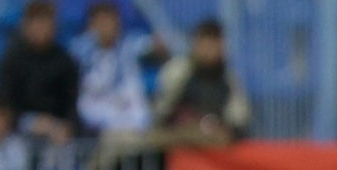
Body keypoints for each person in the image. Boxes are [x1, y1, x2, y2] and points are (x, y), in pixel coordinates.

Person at [69, 2, 169, 137]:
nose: (105, 27)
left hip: (127, 110)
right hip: (95, 110)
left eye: (109, 21)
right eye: (100, 22)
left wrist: (159, 44)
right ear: (91, 25)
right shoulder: (80, 49)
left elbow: (157, 47)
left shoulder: (130, 46)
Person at [0, 1, 79, 154]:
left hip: (56, 127)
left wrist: (67, 125)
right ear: (26, 25)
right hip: (19, 127)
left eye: (47, 23)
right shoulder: (11, 59)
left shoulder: (65, 60)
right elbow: (6, 102)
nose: (42, 29)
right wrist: (35, 122)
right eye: (37, 22)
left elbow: (71, 102)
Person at [151, 18, 250, 146]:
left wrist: (224, 131)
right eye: (205, 44)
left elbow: (239, 119)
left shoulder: (228, 78)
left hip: (213, 148)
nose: (209, 51)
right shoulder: (178, 72)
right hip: (177, 144)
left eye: (214, 44)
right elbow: (160, 114)